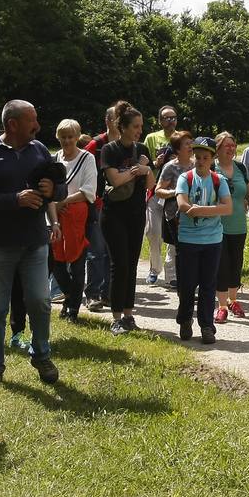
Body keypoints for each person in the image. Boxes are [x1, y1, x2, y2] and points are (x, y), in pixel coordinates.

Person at [0, 100, 65, 389]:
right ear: (13, 124)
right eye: (32, 120)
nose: (38, 125)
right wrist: (14, 199)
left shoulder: (39, 150)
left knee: (40, 301)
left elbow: (61, 186)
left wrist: (52, 190)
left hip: (34, 243)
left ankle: (41, 354)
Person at [100, 100, 155, 336]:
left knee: (132, 265)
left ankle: (129, 315)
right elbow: (115, 180)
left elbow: (150, 185)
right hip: (114, 215)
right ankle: (115, 318)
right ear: (122, 127)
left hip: (136, 213)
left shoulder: (142, 149)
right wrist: (136, 170)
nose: (139, 130)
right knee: (119, 264)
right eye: (135, 126)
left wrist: (149, 170)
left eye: (141, 126)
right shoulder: (109, 150)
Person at [175, 136, 232, 343]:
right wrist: (208, 210)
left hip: (212, 241)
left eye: (205, 157)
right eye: (197, 157)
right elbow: (182, 203)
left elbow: (228, 208)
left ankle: (207, 326)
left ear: (212, 158)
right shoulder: (185, 178)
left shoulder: (219, 180)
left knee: (208, 285)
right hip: (189, 240)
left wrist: (200, 210)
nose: (200, 161)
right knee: (188, 284)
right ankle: (184, 321)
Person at [52, 119, 96, 323]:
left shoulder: (87, 158)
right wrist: (56, 206)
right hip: (56, 217)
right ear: (58, 138)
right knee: (55, 263)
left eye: (71, 137)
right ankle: (69, 296)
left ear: (77, 137)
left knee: (77, 264)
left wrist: (63, 201)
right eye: (63, 137)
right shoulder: (55, 159)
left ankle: (73, 310)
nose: (67, 141)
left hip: (78, 217)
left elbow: (88, 190)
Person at [213, 132, 249, 322]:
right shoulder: (212, 168)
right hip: (217, 225)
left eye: (233, 145)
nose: (231, 149)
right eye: (226, 145)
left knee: (236, 264)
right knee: (222, 265)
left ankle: (233, 300)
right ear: (218, 148)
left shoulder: (240, 167)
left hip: (238, 224)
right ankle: (221, 306)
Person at [82, 106, 119, 312]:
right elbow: (82, 163)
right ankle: (92, 294)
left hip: (118, 206)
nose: (119, 122)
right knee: (96, 251)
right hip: (97, 204)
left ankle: (108, 294)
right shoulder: (96, 144)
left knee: (111, 252)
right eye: (116, 118)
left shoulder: (126, 144)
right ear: (107, 120)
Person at [143, 105, 179, 287]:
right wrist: (154, 164)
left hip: (176, 194)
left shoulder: (181, 138)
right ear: (159, 120)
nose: (170, 121)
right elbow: (143, 164)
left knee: (174, 234)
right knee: (153, 232)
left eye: (173, 117)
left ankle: (171, 273)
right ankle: (154, 269)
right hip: (155, 191)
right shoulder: (151, 138)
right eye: (166, 118)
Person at [152, 132, 193, 248]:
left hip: (194, 214)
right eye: (187, 144)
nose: (191, 146)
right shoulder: (170, 167)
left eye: (191, 143)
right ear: (178, 149)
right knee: (181, 250)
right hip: (175, 216)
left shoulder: (197, 165)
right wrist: (175, 192)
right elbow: (158, 191)